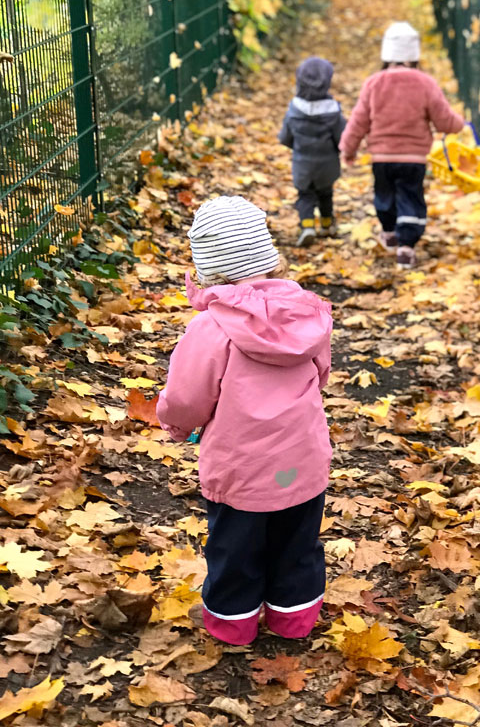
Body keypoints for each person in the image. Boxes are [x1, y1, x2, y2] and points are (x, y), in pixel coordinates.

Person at [157, 195, 333, 646]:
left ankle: (234, 625)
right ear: (267, 257)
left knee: (235, 549)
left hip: (242, 469)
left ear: (208, 269)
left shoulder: (212, 330)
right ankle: (293, 620)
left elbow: (186, 396)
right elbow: (321, 373)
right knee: (298, 545)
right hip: (302, 462)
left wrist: (177, 427)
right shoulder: (305, 313)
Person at [339, 21, 465, 269]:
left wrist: (348, 148)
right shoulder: (425, 83)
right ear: (414, 56)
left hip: (381, 157)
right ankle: (406, 245)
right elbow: (443, 119)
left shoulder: (373, 83)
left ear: (386, 54)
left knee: (384, 196)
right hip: (413, 158)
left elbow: (358, 120)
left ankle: (389, 232)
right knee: (410, 196)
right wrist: (458, 124)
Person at [278, 56, 347, 247]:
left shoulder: (294, 109)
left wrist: (297, 147)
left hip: (303, 164)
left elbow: (285, 137)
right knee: (326, 194)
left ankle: (307, 225)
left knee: (305, 195)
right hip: (327, 165)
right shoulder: (333, 111)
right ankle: (327, 224)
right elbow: (342, 137)